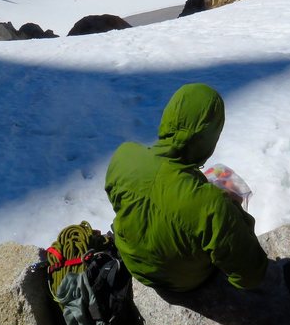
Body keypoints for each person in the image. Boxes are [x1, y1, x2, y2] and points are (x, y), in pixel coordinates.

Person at [104, 83, 268, 292]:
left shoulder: (124, 157)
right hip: (182, 282)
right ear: (209, 138)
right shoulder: (212, 206)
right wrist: (233, 211)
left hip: (132, 261)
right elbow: (251, 275)